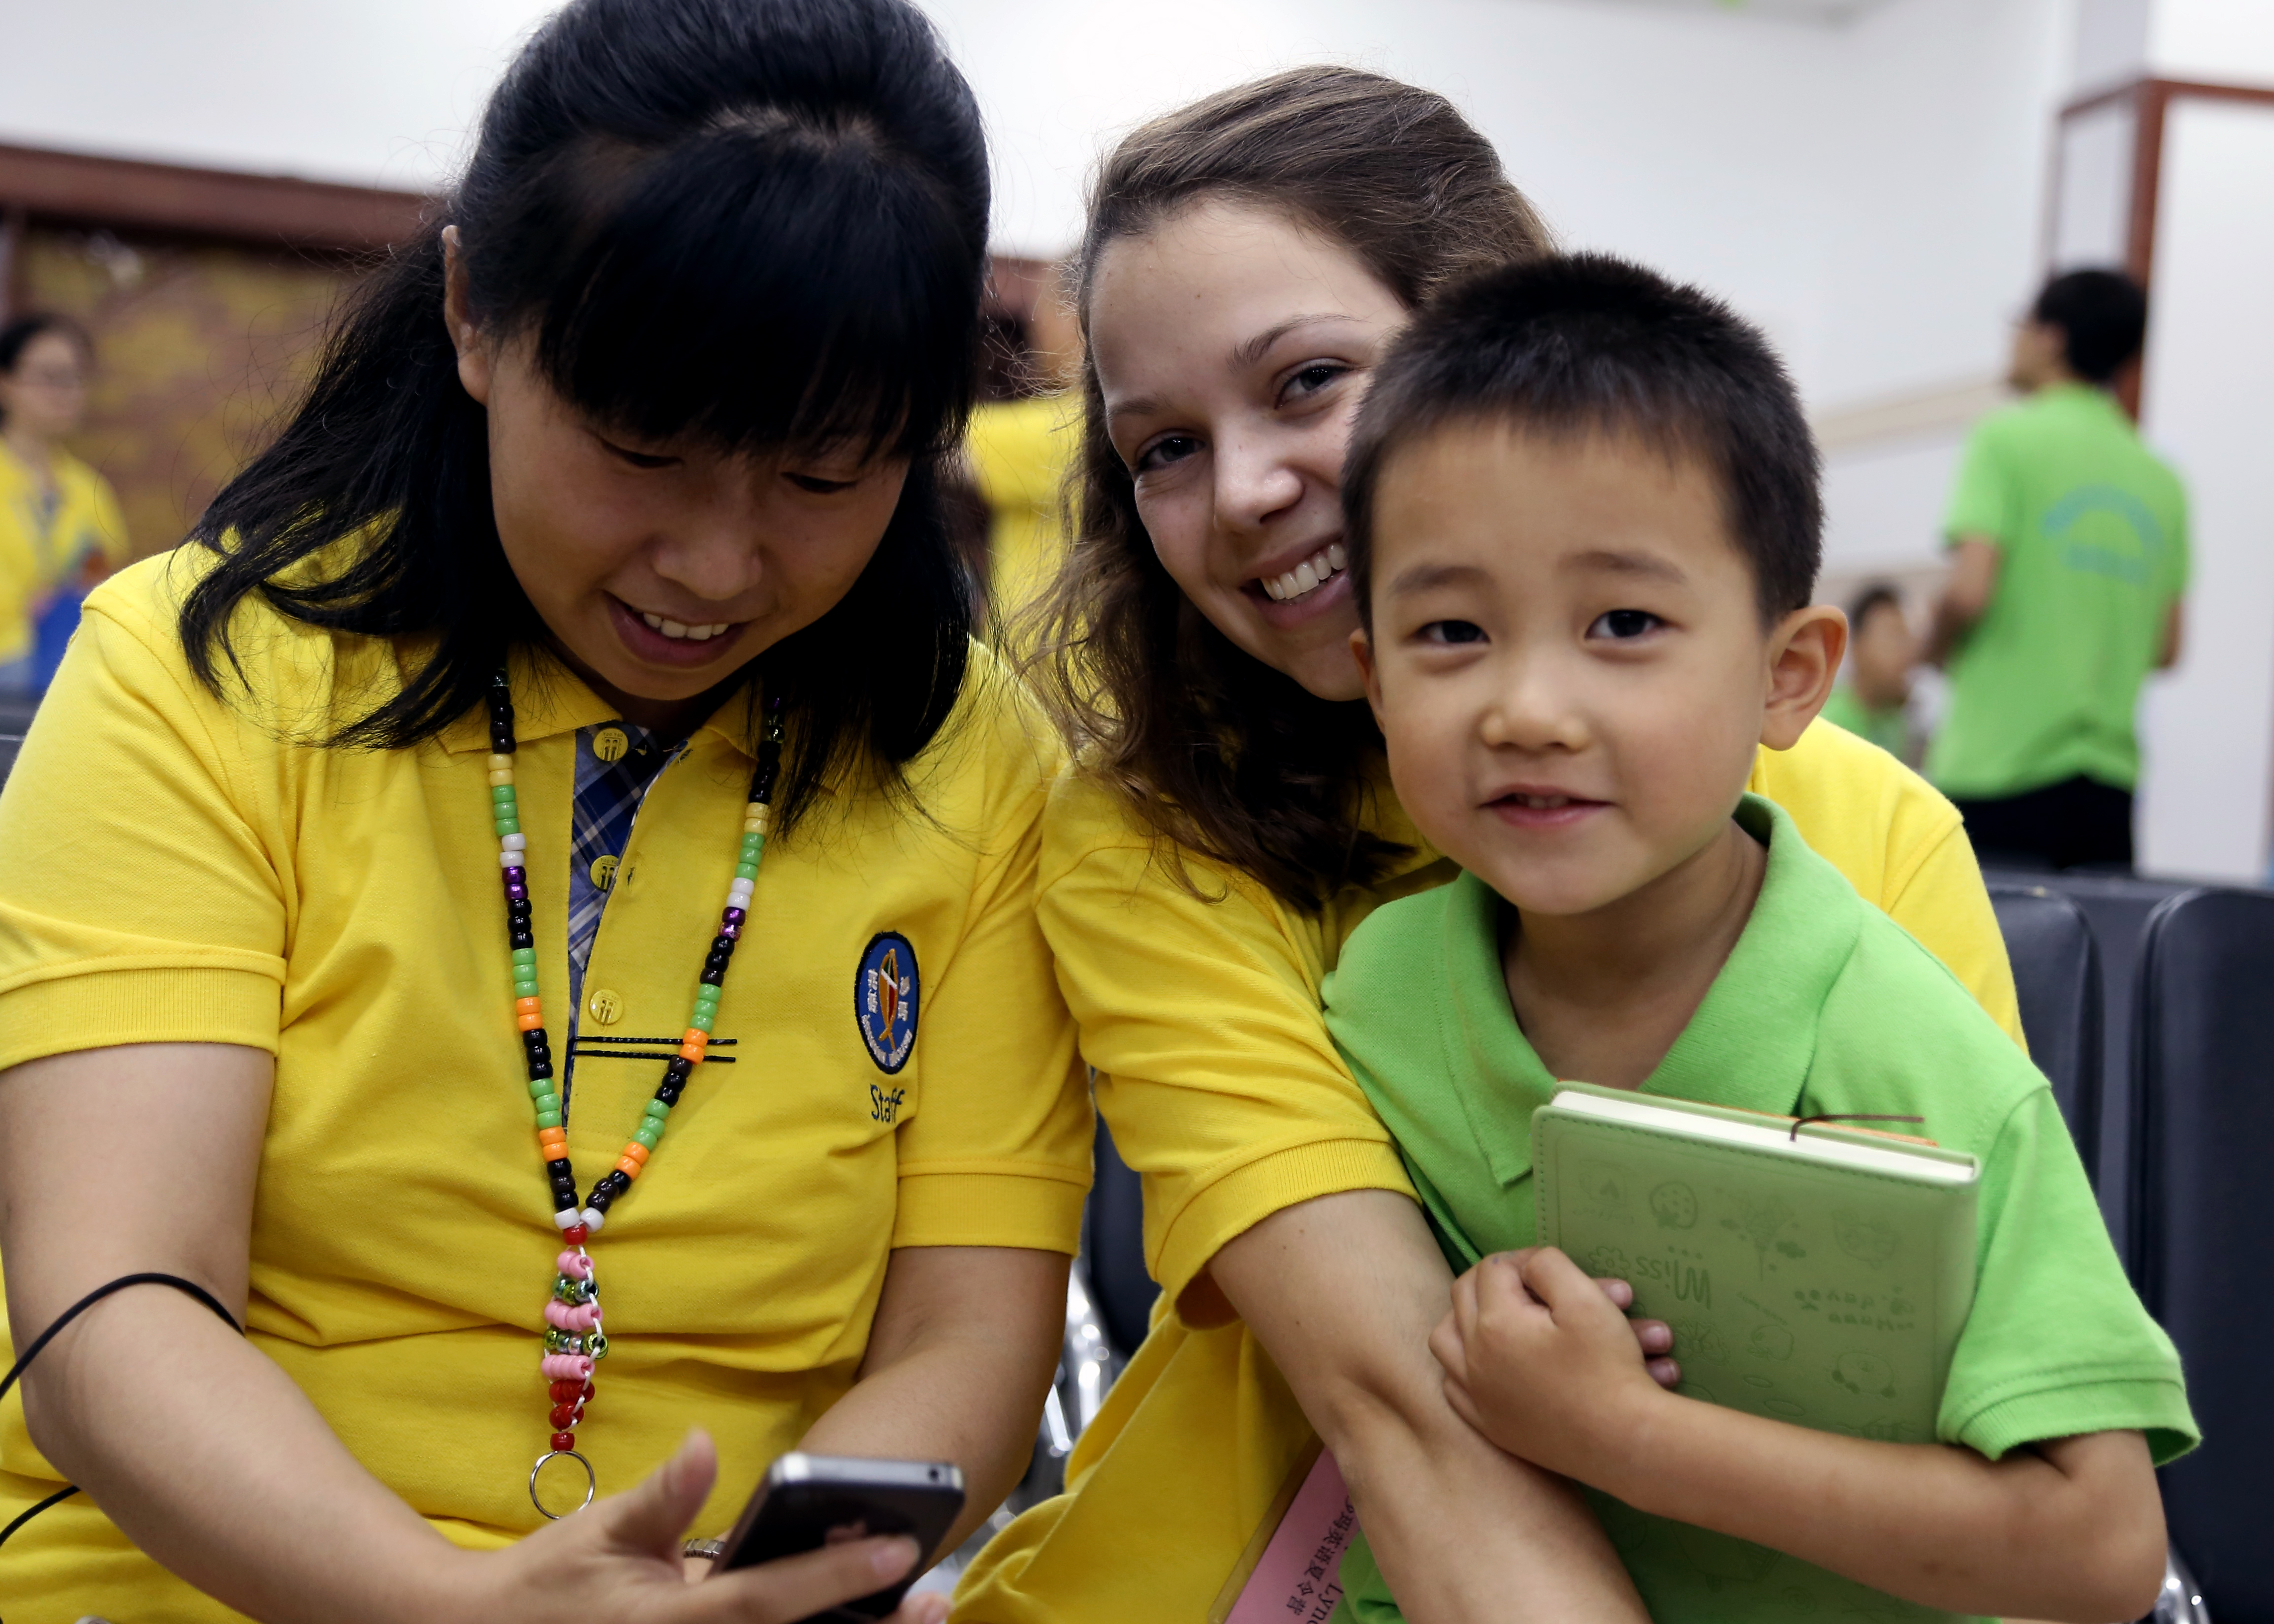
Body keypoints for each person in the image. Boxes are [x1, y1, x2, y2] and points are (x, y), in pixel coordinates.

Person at [0, 2, 1090, 1620]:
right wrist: (444, 1606)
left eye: (820, 476)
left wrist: (733, 1593)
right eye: (641, 450)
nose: (716, 567)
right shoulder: (199, 671)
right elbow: (119, 1301)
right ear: (472, 316)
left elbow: (966, 1340)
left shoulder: (975, 762)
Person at [956, 67, 2023, 1624]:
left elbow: (1972, 1424)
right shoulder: (1154, 837)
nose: (1242, 489)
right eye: (1162, 448)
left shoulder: (1863, 824)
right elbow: (1402, 1402)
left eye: (1309, 380)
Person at [1327, 252, 2192, 1624]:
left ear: (1786, 678)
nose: (1527, 707)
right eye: (1449, 629)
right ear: (1370, 673)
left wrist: (1628, 1438)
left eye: (1622, 622)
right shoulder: (1370, 991)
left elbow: (2095, 1548)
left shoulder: (1908, 1056)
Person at [1927, 269, 2187, 872]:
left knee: (1977, 963)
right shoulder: (2163, 481)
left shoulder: (2006, 440)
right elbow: (2169, 647)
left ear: (2051, 336)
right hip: (2109, 787)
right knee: (2089, 958)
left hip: (2000, 770)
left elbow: (1969, 592)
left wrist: (1932, 645)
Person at [0, 314, 129, 697]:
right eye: (48, 376)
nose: (65, 391)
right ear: (5, 382)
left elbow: (106, 580)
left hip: (60, 674)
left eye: (75, 378)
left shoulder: (91, 489)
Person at [966, 268, 1082, 625]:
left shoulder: (1075, 424)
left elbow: (944, 442)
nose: (1035, 330)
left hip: (1047, 672)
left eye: (1043, 310)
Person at [1819, 583, 1916, 761]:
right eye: (1893, 637)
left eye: (1907, 637)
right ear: (1856, 646)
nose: (1907, 653)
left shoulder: (1894, 722)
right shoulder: (1830, 725)